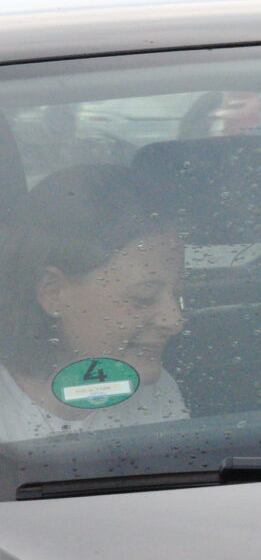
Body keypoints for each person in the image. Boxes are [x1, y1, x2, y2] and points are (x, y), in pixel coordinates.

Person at [0, 165, 189, 441]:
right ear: (54, 292)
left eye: (178, 294)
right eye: (143, 298)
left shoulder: (156, 391)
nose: (174, 320)